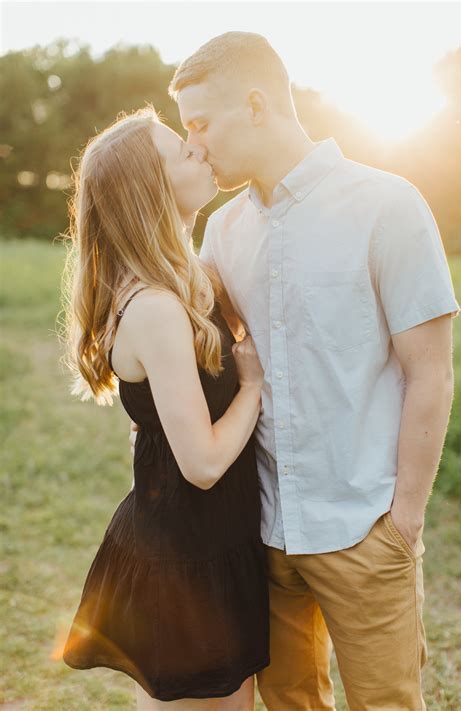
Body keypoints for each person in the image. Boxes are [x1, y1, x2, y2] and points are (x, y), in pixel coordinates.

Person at [150, 31, 460, 710]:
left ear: (256, 104)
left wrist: (403, 517)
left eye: (200, 123)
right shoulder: (225, 230)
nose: (195, 145)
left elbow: (431, 375)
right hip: (263, 534)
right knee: (290, 701)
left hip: (365, 526)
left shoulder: (389, 205)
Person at [61, 106, 270, 710]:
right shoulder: (153, 306)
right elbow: (201, 463)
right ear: (151, 190)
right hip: (187, 557)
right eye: (183, 150)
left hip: (210, 540)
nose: (200, 151)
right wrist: (253, 386)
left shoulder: (182, 278)